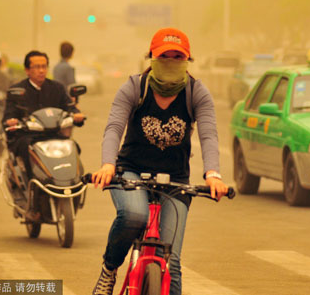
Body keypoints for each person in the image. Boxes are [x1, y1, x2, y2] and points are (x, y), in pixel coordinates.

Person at [90, 27, 229, 295]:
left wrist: (213, 173)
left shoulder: (196, 92)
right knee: (134, 215)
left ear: (188, 61)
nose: (171, 61)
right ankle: (109, 269)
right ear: (151, 57)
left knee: (171, 263)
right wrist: (108, 164)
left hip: (175, 179)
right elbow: (114, 127)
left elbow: (209, 135)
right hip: (130, 172)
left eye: (178, 56)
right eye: (165, 55)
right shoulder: (134, 87)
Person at [3, 50, 85, 183]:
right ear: (27, 70)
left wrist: (76, 114)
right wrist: (11, 122)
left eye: (44, 66)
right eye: (36, 67)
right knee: (24, 148)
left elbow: (70, 107)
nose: (41, 70)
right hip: (28, 136)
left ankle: (74, 182)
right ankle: (30, 183)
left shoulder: (57, 88)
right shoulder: (17, 90)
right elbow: (8, 116)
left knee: (74, 146)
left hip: (55, 134)